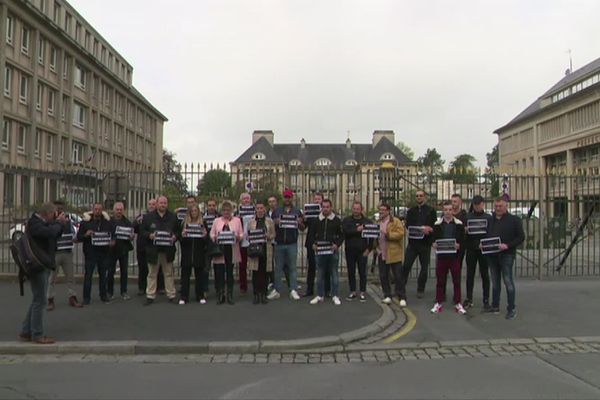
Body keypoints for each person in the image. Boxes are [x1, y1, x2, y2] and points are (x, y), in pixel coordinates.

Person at [19, 202, 66, 344]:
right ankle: (37, 334)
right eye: (54, 214)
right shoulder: (35, 223)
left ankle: (26, 332)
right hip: (37, 266)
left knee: (37, 299)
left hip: (42, 264)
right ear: (48, 214)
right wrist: (58, 223)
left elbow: (54, 234)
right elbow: (50, 232)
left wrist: (60, 225)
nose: (54, 217)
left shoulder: (41, 223)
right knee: (40, 301)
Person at [484, 196, 525, 320]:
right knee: (495, 282)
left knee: (508, 282)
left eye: (500, 206)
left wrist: (507, 245)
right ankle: (495, 306)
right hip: (492, 255)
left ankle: (511, 308)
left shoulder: (514, 220)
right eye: (496, 206)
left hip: (507, 254)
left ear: (506, 206)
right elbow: (487, 235)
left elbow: (521, 237)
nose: (498, 208)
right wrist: (484, 244)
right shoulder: (491, 220)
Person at [141, 196, 179, 305]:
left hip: (168, 250)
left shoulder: (173, 217)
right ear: (157, 204)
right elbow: (142, 231)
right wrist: (150, 235)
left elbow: (178, 231)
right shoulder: (148, 217)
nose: (163, 205)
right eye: (161, 203)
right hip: (153, 250)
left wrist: (175, 237)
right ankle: (150, 296)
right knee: (152, 274)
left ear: (167, 204)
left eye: (165, 203)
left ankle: (171, 295)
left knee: (168, 273)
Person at [268, 189, 305, 301]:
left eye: (289, 197)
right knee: (278, 268)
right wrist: (275, 222)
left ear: (292, 198)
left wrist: (300, 222)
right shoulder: (277, 211)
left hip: (292, 243)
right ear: (283, 198)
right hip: (279, 243)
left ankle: (293, 290)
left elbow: (303, 228)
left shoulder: (297, 211)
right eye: (285, 197)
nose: (287, 199)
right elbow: (270, 226)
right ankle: (277, 290)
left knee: (292, 268)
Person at [430, 201, 466, 315]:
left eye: (450, 210)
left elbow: (463, 240)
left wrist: (459, 245)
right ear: (443, 211)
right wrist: (433, 244)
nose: (448, 212)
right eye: (446, 210)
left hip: (454, 257)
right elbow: (433, 238)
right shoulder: (437, 224)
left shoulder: (459, 224)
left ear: (453, 211)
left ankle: (458, 303)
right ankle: (438, 303)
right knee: (440, 281)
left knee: (456, 280)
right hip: (442, 256)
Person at [47, 200, 82, 310]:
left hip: (67, 252)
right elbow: (48, 234)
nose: (59, 211)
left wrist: (75, 237)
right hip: (55, 253)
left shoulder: (68, 220)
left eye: (61, 208)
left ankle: (73, 297)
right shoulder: (50, 221)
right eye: (57, 209)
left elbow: (73, 233)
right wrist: (58, 222)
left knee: (71, 277)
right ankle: (50, 300)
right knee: (51, 278)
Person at [400, 190, 436, 299]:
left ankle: (421, 289)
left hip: (425, 244)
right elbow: (408, 225)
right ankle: (401, 289)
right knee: (406, 266)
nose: (419, 197)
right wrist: (420, 229)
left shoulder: (431, 210)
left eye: (421, 196)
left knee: (424, 268)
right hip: (413, 243)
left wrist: (429, 229)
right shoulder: (411, 211)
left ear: (424, 197)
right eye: (417, 196)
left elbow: (434, 225)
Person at [77, 203, 113, 305]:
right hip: (90, 253)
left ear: (102, 210)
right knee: (88, 276)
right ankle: (86, 298)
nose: (97, 211)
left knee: (103, 276)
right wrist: (86, 234)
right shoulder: (85, 222)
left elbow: (112, 234)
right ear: (92, 210)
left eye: (99, 209)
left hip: (103, 253)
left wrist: (112, 241)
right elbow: (79, 237)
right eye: (95, 209)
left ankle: (103, 296)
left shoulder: (107, 222)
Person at [310, 199, 344, 305]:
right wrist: (313, 244)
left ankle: (335, 295)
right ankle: (320, 295)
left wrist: (337, 244)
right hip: (320, 252)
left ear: (331, 207)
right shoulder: (316, 220)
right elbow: (311, 234)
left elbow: (342, 235)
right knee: (319, 274)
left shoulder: (337, 220)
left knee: (334, 274)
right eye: (323, 207)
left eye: (327, 207)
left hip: (332, 251)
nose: (325, 209)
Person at [210, 201, 244, 305]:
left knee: (230, 273)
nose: (226, 212)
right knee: (220, 274)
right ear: (221, 211)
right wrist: (214, 238)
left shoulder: (237, 220)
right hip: (220, 250)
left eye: (228, 210)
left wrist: (239, 237)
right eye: (224, 210)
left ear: (231, 211)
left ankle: (230, 295)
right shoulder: (217, 221)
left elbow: (241, 233)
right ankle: (221, 294)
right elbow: (212, 233)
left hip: (232, 249)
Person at [464, 195, 492, 310]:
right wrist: (465, 231)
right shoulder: (467, 217)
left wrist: (485, 244)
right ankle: (469, 298)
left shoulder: (488, 217)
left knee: (485, 274)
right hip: (471, 249)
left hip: (483, 250)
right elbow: (463, 235)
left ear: (483, 204)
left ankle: (486, 300)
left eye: (479, 204)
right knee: (469, 274)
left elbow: (491, 233)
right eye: (475, 205)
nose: (477, 207)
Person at [246, 200, 275, 304]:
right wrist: (252, 237)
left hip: (266, 248)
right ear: (255, 210)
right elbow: (247, 236)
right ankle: (256, 294)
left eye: (261, 208)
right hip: (255, 249)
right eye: (257, 208)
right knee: (255, 273)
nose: (260, 210)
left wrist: (268, 236)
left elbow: (273, 235)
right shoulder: (251, 222)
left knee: (265, 273)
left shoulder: (269, 221)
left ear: (264, 209)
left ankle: (263, 294)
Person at [342, 201, 372, 303]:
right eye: (354, 209)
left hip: (362, 250)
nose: (356, 211)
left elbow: (372, 236)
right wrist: (357, 230)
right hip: (350, 250)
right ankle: (353, 291)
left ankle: (362, 292)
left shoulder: (367, 221)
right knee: (351, 271)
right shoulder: (347, 220)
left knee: (362, 272)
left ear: (361, 209)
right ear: (352, 209)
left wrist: (369, 249)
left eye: (358, 209)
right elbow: (345, 232)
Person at [375, 203, 405, 305]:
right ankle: (387, 295)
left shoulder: (395, 221)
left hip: (394, 253)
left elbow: (401, 233)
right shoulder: (377, 222)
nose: (381, 212)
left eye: (383, 210)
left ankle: (401, 296)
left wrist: (389, 235)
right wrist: (376, 247)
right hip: (381, 253)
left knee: (398, 276)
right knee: (383, 275)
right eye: (380, 210)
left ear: (388, 211)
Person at [178, 204, 208, 305]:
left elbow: (207, 241)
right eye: (192, 211)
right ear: (189, 212)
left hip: (199, 253)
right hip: (187, 253)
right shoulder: (183, 223)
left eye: (196, 211)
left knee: (199, 276)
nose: (194, 213)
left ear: (198, 212)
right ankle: (183, 296)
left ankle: (200, 295)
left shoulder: (203, 223)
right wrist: (182, 236)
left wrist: (205, 236)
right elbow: (180, 240)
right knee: (185, 277)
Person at [107, 202, 134, 300]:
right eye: (117, 209)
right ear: (114, 210)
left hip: (123, 250)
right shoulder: (109, 221)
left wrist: (131, 236)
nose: (119, 211)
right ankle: (109, 292)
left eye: (121, 209)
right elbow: (105, 234)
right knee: (110, 272)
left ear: (123, 210)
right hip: (112, 251)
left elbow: (131, 234)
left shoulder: (127, 222)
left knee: (124, 272)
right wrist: (110, 241)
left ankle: (124, 292)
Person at [303, 192, 328, 297]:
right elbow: (303, 227)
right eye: (315, 199)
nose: (316, 200)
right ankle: (309, 290)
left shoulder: (326, 212)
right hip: (311, 243)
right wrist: (304, 218)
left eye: (319, 199)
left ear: (322, 200)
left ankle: (326, 290)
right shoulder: (309, 212)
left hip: (323, 243)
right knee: (311, 267)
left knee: (324, 267)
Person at [134, 198, 159, 296]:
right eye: (150, 204)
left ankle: (158, 287)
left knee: (156, 268)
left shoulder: (158, 217)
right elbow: (134, 228)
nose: (151, 206)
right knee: (142, 268)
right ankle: (142, 287)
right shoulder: (141, 216)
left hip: (154, 246)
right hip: (142, 245)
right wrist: (137, 222)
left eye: (153, 204)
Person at [236, 192, 254, 294]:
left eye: (247, 198)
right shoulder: (237, 212)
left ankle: (256, 284)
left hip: (252, 241)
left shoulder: (255, 211)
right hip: (242, 242)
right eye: (244, 199)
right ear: (241, 201)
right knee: (242, 265)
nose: (246, 200)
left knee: (255, 263)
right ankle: (243, 286)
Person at [202, 198, 220, 295]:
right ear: (207, 206)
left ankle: (218, 288)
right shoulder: (202, 217)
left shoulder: (220, 217)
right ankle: (205, 289)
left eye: (213, 205)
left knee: (218, 268)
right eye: (210, 205)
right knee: (206, 269)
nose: (211, 207)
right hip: (206, 246)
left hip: (217, 245)